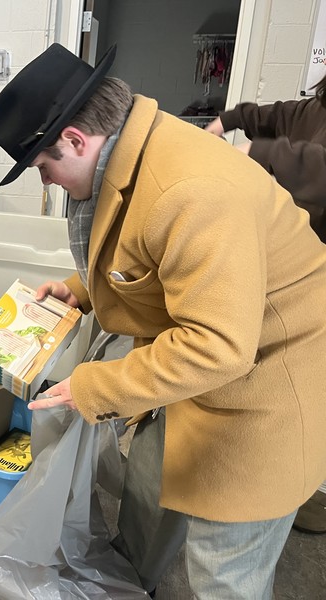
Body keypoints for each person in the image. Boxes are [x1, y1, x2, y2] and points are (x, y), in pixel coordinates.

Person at [0, 43, 326, 599]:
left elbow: (218, 345)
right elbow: (150, 257)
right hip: (202, 355)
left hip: (266, 383)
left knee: (225, 569)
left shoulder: (191, 191)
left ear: (75, 139)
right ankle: (128, 580)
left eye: (43, 165)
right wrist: (79, 291)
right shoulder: (134, 155)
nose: (44, 181)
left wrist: (92, 386)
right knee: (151, 487)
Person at [204, 74, 326, 536]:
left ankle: (308, 493)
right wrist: (227, 121)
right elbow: (283, 115)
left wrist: (262, 152)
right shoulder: (315, 109)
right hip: (301, 262)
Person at [204, 72, 326, 241]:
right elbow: (285, 116)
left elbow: (318, 168)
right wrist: (231, 119)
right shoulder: (319, 108)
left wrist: (262, 152)